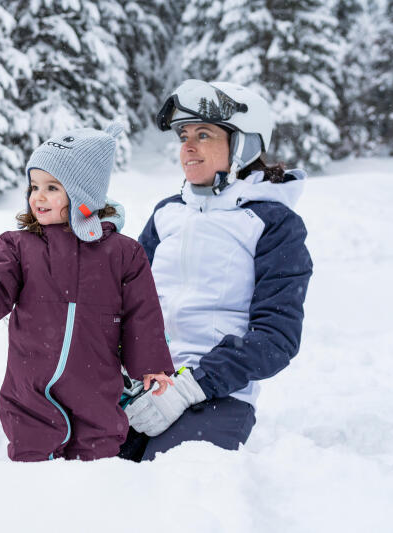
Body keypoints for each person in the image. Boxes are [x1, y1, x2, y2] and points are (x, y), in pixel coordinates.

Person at [0, 122, 175, 462]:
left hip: (95, 390)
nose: (38, 197)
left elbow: (142, 316)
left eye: (52, 187)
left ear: (83, 194)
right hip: (29, 392)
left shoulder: (123, 253)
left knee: (97, 461)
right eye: (34, 187)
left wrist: (152, 364)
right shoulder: (20, 246)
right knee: (32, 463)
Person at [119, 80, 314, 462]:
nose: (187, 147)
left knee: (173, 484)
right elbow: (123, 299)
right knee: (80, 475)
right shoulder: (166, 213)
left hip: (214, 395)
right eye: (183, 136)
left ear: (243, 144)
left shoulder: (273, 223)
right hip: (141, 386)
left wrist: (190, 387)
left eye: (203, 134)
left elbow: (276, 336)